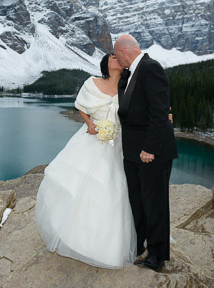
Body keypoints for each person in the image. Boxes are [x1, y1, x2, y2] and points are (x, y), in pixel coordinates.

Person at [35, 53, 136, 269]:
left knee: (114, 189)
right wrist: (89, 124)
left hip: (117, 143)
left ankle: (108, 246)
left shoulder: (128, 85)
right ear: (105, 64)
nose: (116, 59)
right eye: (112, 57)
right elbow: (80, 106)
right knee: (79, 185)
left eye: (119, 57)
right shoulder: (92, 82)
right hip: (91, 139)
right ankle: (74, 237)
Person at [114, 34, 178, 272]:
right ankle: (139, 247)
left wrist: (149, 148)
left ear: (123, 52)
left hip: (152, 153)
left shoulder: (151, 68)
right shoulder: (129, 74)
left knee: (155, 204)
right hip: (132, 154)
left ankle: (157, 255)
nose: (117, 59)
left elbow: (159, 113)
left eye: (116, 55)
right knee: (137, 203)